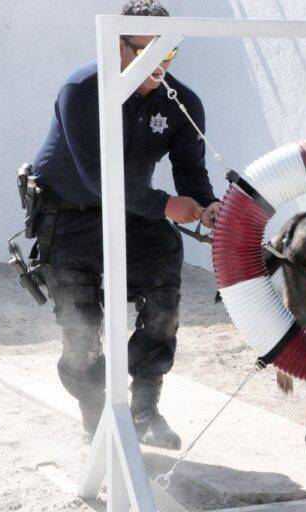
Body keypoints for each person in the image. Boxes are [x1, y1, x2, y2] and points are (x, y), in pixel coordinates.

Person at [31, 0, 220, 449]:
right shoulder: (81, 90)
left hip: (134, 213)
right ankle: (97, 420)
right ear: (117, 44)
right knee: (82, 332)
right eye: (144, 52)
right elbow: (97, 178)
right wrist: (167, 205)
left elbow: (191, 174)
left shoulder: (181, 102)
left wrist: (208, 207)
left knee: (164, 304)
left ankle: (146, 410)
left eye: (166, 55)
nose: (157, 66)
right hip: (69, 219)